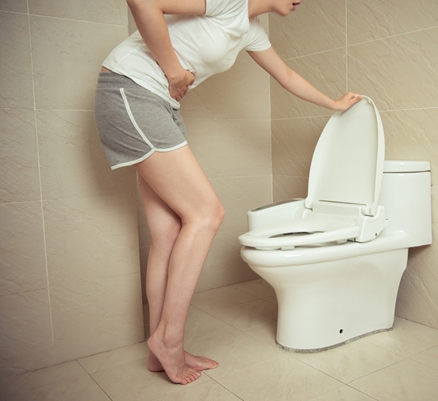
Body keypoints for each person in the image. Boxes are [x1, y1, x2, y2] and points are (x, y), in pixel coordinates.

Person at [94, 0, 362, 385]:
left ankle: (159, 349)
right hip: (133, 91)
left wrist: (333, 104)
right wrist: (174, 71)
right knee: (206, 213)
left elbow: (286, 75)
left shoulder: (251, 31)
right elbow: (143, 1)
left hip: (159, 104)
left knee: (168, 233)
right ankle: (169, 340)